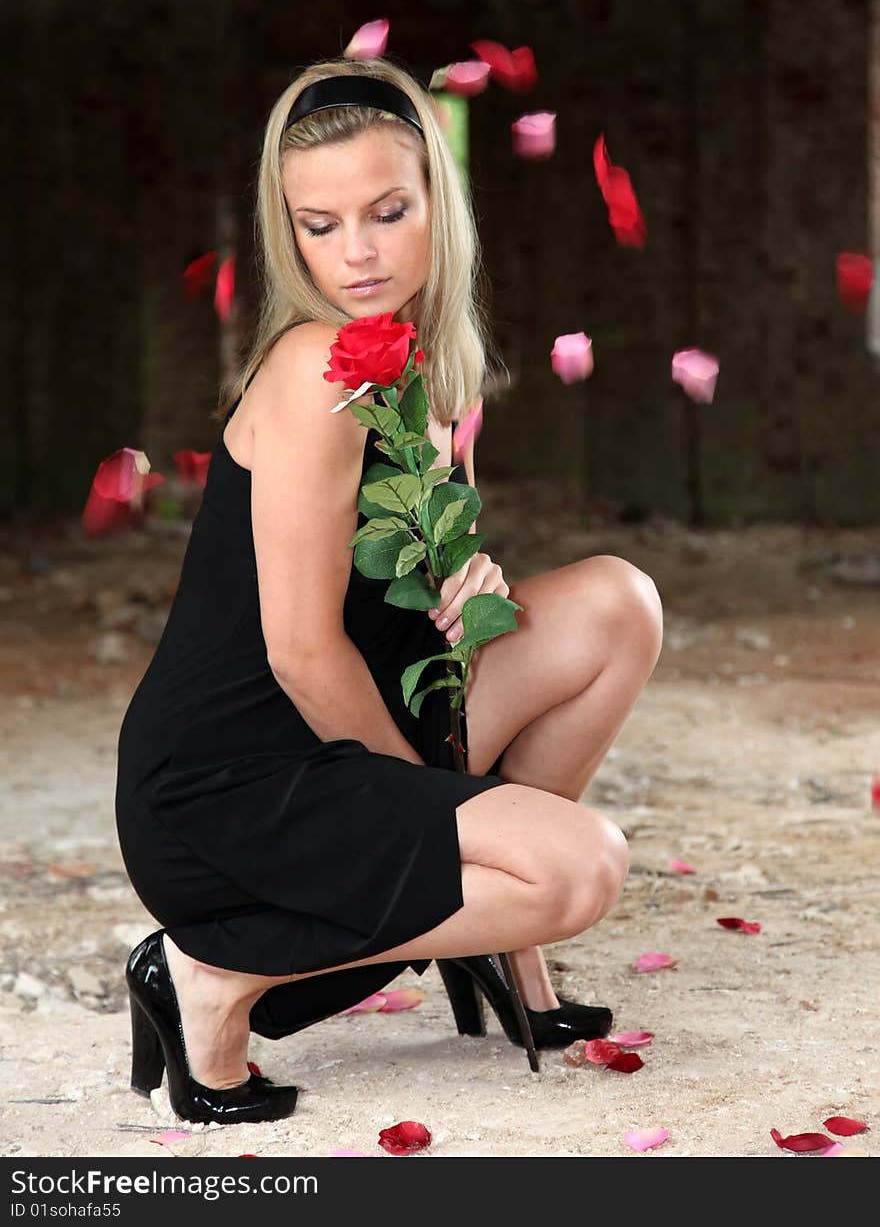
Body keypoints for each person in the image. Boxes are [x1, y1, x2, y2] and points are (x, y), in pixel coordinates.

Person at [115, 57, 663, 1127]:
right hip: (231, 783)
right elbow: (298, 651)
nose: (355, 253)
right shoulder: (319, 367)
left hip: (333, 727)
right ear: (289, 233)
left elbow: (377, 585)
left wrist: (459, 583)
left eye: (385, 211)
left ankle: (508, 961)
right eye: (317, 225)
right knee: (582, 867)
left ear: (435, 206)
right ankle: (216, 974)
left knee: (616, 603)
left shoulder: (400, 361)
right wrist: (437, 802)